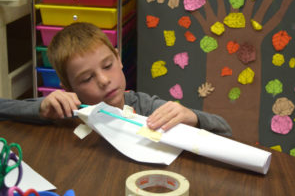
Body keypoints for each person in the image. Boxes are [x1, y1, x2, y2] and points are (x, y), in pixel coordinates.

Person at [1, 22, 232, 136]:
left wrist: (193, 118)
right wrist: (41, 108)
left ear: (118, 59)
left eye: (108, 66)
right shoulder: (64, 111)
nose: (103, 80)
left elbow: (225, 130)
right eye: (87, 78)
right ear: (68, 87)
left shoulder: (145, 107)